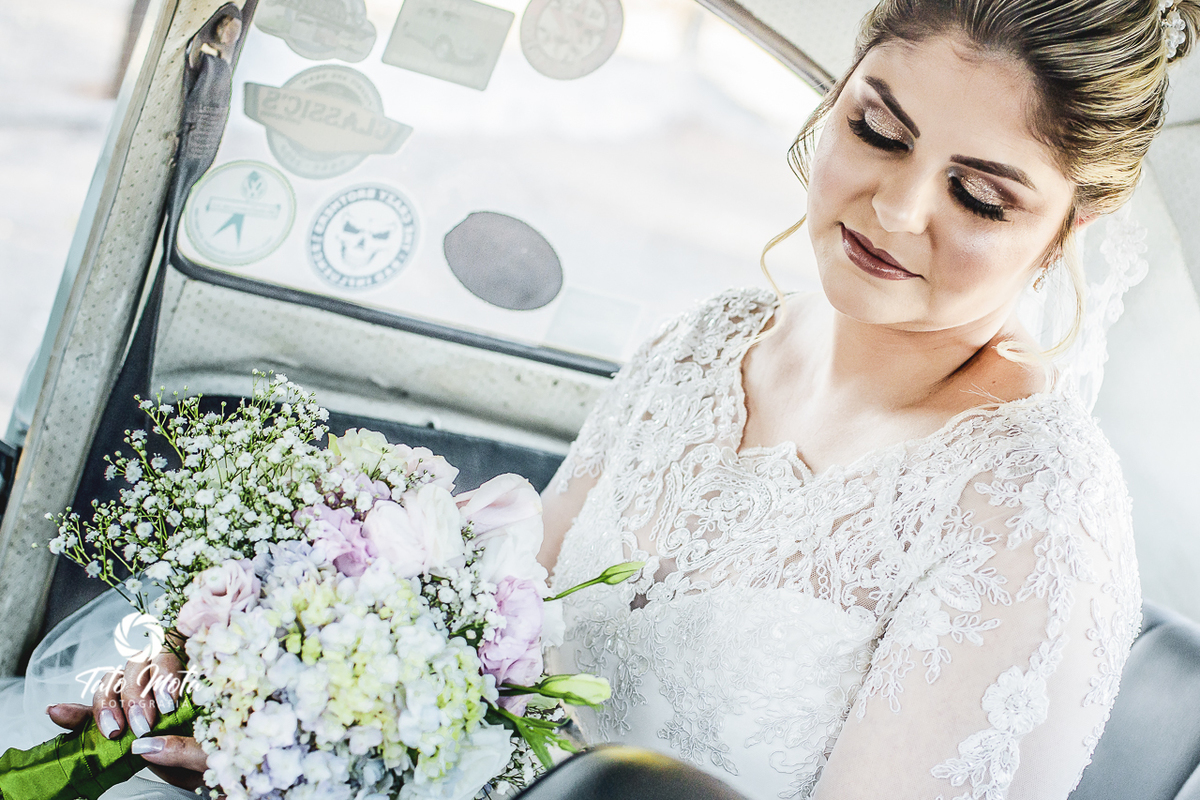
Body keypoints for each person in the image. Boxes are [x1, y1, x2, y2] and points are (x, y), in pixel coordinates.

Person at [38, 0, 1199, 798]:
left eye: (981, 197)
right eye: (877, 130)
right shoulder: (702, 346)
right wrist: (273, 692)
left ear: (1072, 225)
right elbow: (493, 652)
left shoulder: (1032, 506)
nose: (896, 209)